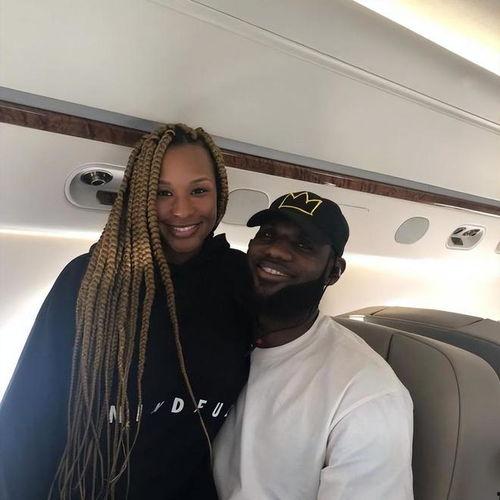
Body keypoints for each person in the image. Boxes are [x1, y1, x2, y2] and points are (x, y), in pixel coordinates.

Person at [0, 124, 253, 499]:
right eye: (162, 192)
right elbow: (27, 412)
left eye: (199, 190)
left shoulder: (240, 278)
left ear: (220, 193)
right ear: (139, 196)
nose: (182, 209)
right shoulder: (88, 279)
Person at [213, 191, 414, 500]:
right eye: (268, 235)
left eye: (303, 244)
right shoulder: (222, 338)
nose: (276, 251)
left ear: (334, 271)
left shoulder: (366, 394)